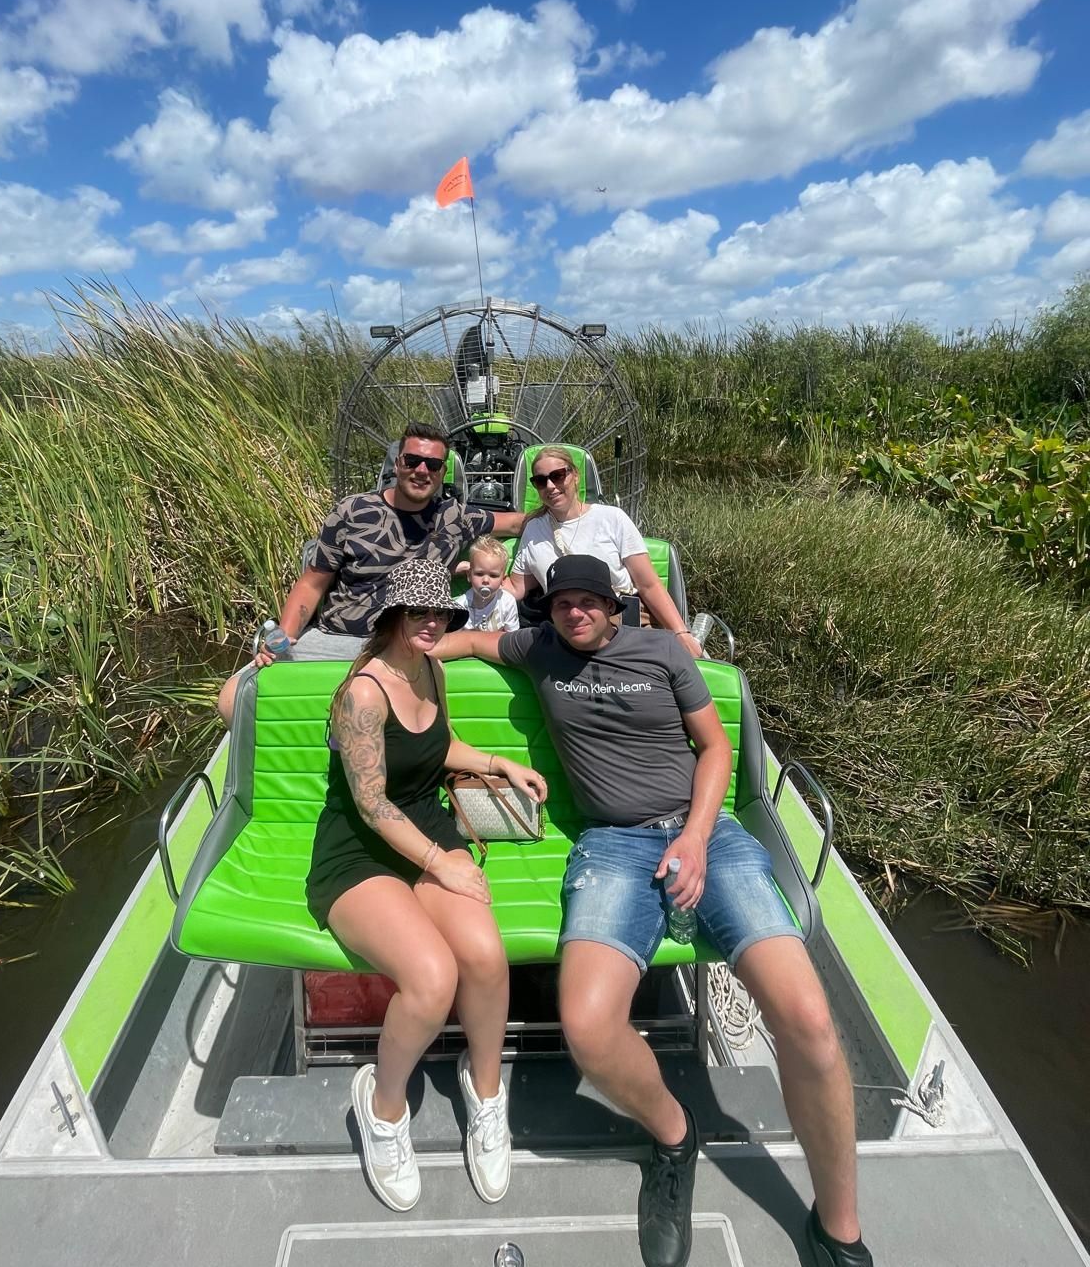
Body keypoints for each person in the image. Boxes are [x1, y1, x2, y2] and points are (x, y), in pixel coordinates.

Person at [434, 553, 874, 1267]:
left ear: (616, 606)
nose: (575, 612)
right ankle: (674, 1136)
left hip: (709, 836)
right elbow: (471, 640)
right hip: (611, 847)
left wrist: (697, 840)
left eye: (588, 601)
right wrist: (402, 651)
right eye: (562, 602)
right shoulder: (537, 648)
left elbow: (716, 747)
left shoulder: (664, 649)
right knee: (586, 1023)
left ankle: (841, 1232)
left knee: (810, 1021)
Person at [306, 558, 547, 1213]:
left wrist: (501, 764)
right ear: (391, 616)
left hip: (428, 828)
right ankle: (382, 1109)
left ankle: (486, 1092)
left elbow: (438, 747)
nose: (433, 621)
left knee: (485, 957)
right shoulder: (363, 694)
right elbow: (371, 805)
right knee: (433, 979)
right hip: (359, 853)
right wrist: (443, 863)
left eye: (439, 610)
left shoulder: (431, 665)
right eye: (419, 611)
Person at [217, 422, 527, 725]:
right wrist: (285, 635)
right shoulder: (353, 511)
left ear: (442, 472)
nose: (422, 470)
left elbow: (516, 523)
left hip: (415, 641)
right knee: (233, 696)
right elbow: (312, 584)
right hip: (341, 637)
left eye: (433, 464)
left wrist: (564, 504)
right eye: (413, 460)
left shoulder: (454, 517)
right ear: (398, 463)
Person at [506, 445, 702, 657]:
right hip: (570, 624)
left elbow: (648, 584)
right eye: (541, 481)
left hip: (621, 619)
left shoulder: (611, 518)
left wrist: (681, 633)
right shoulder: (535, 529)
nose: (551, 486)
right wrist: (477, 575)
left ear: (575, 476)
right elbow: (517, 586)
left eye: (558, 476)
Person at [459, 535, 520, 633]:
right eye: (479, 574)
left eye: (493, 575)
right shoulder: (461, 605)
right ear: (469, 575)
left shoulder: (508, 602)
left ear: (502, 580)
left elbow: (512, 636)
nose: (486, 580)